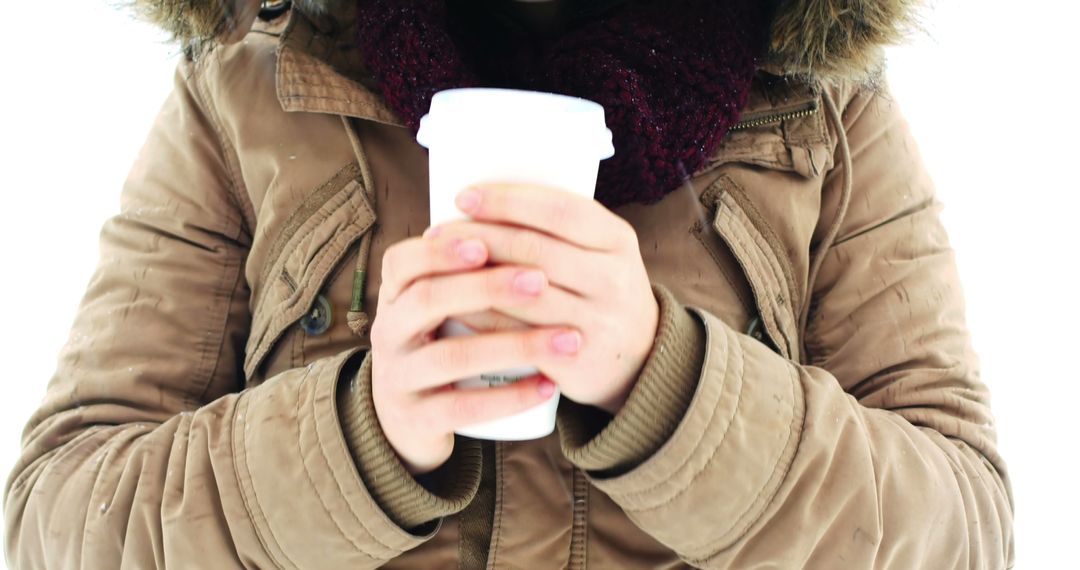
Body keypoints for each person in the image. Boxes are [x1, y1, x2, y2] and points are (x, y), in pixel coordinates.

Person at [4, 0, 1015, 568]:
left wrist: (675, 391)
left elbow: (964, 530)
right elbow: (58, 521)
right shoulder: (243, 95)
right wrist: (356, 442)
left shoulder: (829, 117)